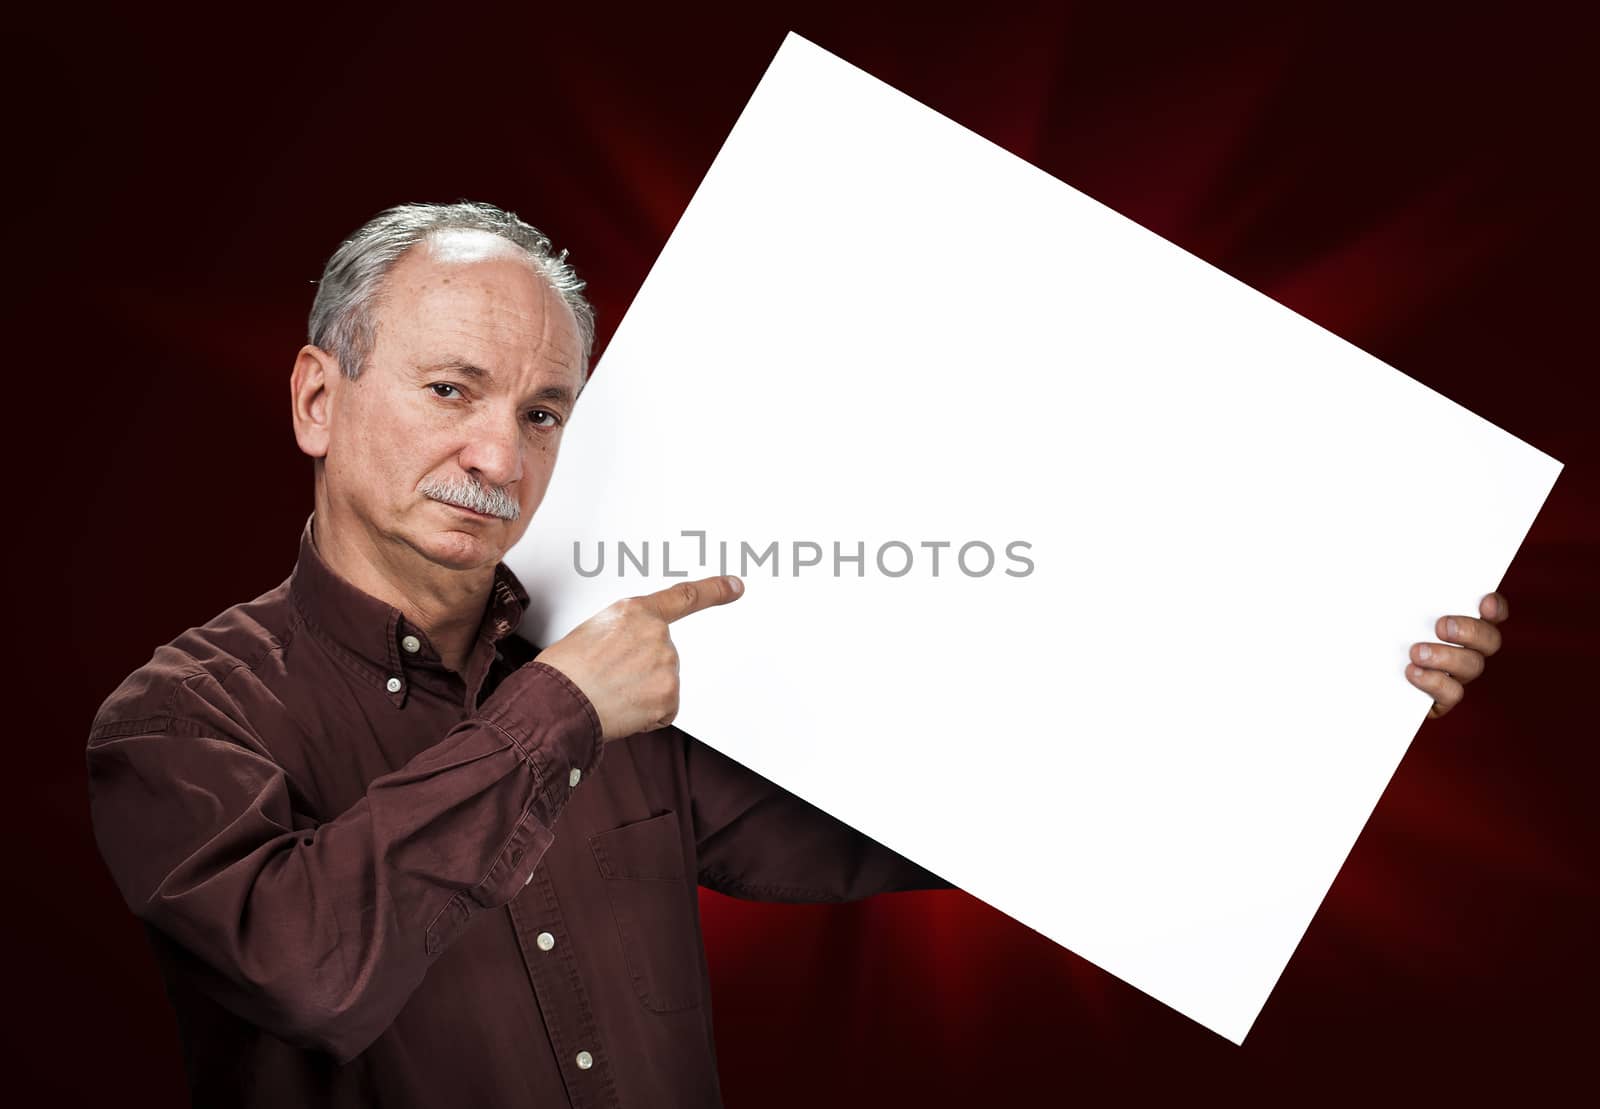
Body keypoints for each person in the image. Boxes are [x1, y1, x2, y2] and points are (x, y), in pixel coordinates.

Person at [86, 201, 1510, 1107]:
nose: (497, 454)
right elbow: (303, 970)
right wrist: (556, 711)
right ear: (319, 398)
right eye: (451, 389)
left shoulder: (617, 652)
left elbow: (921, 809)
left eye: (541, 413)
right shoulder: (178, 720)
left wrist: (1332, 682)